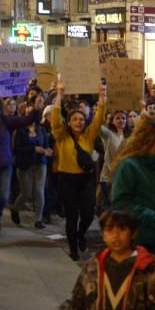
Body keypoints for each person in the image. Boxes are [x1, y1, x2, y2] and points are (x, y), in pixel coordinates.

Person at [111, 113, 155, 271]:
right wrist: (154, 219)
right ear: (153, 137)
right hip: (139, 241)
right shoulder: (129, 166)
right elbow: (121, 204)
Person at [51, 82, 106, 260]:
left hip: (85, 180)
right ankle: (73, 248)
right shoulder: (61, 136)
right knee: (71, 217)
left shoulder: (89, 135)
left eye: (81, 119)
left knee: (89, 214)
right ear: (69, 122)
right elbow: (55, 119)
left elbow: (99, 119)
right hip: (66, 180)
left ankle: (81, 234)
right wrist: (59, 94)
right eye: (74, 119)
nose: (78, 122)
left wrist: (101, 96)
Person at [0, 90, 41, 236]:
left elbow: (25, 121)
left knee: (4, 198)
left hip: (5, 165)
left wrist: (37, 109)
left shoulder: (6, 120)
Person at [11, 98, 53, 229]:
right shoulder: (20, 130)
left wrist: (48, 150)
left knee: (39, 191)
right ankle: (15, 208)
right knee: (26, 193)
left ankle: (38, 219)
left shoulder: (41, 130)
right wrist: (33, 149)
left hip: (40, 163)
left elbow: (46, 144)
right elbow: (16, 149)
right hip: (25, 164)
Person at [98, 110, 128, 213]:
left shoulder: (129, 136)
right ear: (112, 121)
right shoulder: (109, 135)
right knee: (109, 205)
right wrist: (103, 104)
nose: (121, 120)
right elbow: (97, 125)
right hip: (108, 176)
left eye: (123, 118)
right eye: (117, 118)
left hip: (124, 177)